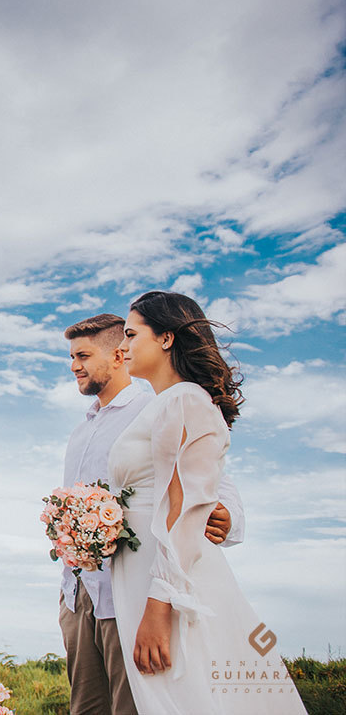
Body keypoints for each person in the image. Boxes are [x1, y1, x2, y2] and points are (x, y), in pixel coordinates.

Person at [108, 292, 307, 714]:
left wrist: (159, 607)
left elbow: (186, 507)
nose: (121, 347)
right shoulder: (165, 404)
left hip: (167, 588)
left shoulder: (185, 400)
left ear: (165, 338)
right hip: (139, 577)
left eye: (130, 334)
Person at [59, 313, 245, 715]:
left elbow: (211, 478)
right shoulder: (79, 431)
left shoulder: (154, 407)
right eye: (72, 356)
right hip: (77, 594)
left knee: (135, 705)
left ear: (117, 356)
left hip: (129, 588)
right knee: (85, 708)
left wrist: (227, 514)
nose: (74, 365)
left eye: (84, 355)